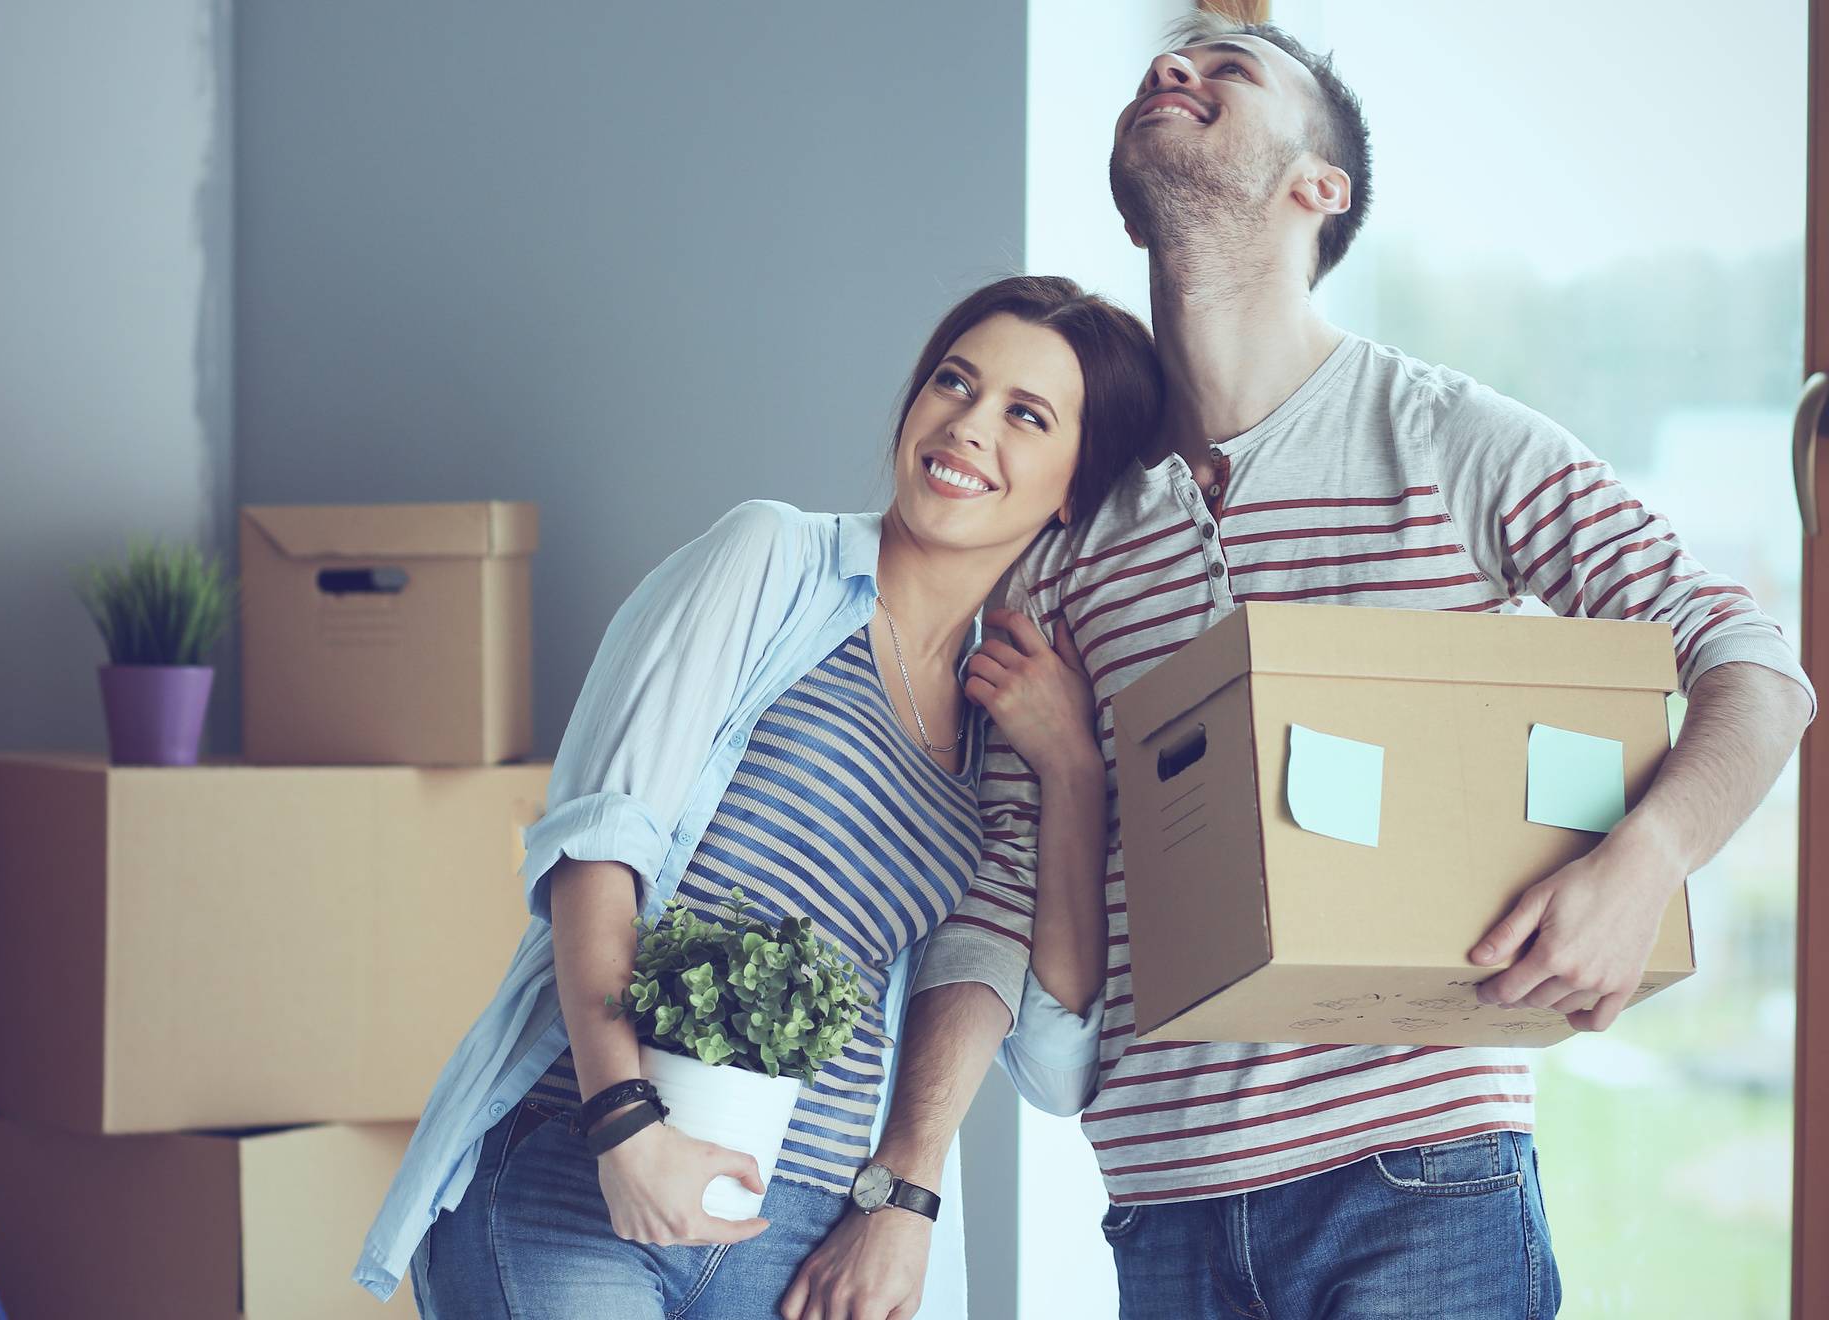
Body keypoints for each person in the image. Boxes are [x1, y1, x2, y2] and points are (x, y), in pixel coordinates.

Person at [782, 16, 1816, 1320]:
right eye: (1167, 61)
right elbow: (1001, 897)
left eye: (1230, 67)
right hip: (1165, 1212)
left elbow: (1754, 662)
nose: (1174, 69)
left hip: (1422, 1179)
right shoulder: (1063, 529)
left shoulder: (1445, 439)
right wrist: (906, 1185)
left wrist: (1647, 859)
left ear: (1317, 190)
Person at [352, 274, 1170, 1318]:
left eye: (1024, 414)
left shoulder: (999, 739)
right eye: (953, 384)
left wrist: (1071, 772)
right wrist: (623, 1125)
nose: (966, 427)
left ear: (1073, 483)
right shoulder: (772, 562)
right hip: (586, 1163)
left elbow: (1053, 1058)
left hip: (797, 1241)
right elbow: (600, 846)